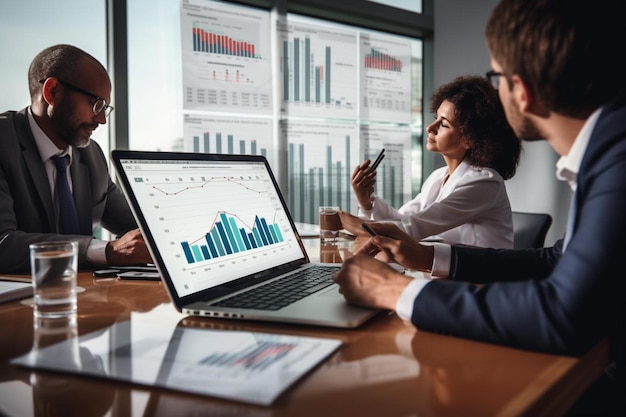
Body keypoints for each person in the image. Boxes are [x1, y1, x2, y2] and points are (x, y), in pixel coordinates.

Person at [333, 0, 625, 413]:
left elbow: (563, 315)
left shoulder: (616, 163)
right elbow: (554, 260)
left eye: (497, 76)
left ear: (521, 91)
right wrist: (426, 256)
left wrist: (393, 288)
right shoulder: (604, 155)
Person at [0, 44, 151, 273]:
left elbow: (134, 224)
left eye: (105, 108)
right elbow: (4, 244)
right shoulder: (4, 143)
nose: (102, 120)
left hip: (82, 297)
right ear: (52, 92)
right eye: (95, 103)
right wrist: (105, 251)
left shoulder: (91, 155)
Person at [349, 75, 521, 248]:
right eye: (435, 117)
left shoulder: (484, 183)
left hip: (478, 274)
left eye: (444, 124)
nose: (430, 128)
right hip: (446, 269)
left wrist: (354, 224)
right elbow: (403, 219)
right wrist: (365, 200)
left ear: (470, 139)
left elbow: (413, 227)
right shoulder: (438, 177)